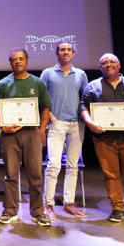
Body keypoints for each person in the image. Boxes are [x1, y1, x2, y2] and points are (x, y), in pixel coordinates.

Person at [80, 53, 124, 225]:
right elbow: (83, 106)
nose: (108, 65)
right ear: (100, 67)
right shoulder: (92, 86)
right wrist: (89, 122)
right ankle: (118, 208)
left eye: (112, 62)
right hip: (104, 139)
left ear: (119, 65)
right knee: (111, 175)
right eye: (104, 63)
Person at [0, 48, 52, 226]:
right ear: (10, 63)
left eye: (21, 59)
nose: (18, 62)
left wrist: (41, 130)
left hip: (32, 133)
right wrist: (3, 126)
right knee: (10, 174)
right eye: (14, 59)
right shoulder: (3, 83)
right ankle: (10, 210)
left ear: (27, 61)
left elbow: (45, 108)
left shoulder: (37, 83)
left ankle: (38, 212)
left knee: (35, 174)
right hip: (11, 135)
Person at [40, 42, 89, 219]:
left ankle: (69, 203)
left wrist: (84, 118)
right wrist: (51, 117)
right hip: (57, 123)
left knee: (73, 165)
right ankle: (49, 204)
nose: (66, 52)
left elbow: (85, 98)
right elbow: (41, 97)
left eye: (69, 50)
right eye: (62, 50)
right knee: (53, 165)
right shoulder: (48, 73)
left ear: (73, 54)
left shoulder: (81, 74)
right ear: (57, 53)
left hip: (76, 124)